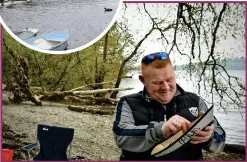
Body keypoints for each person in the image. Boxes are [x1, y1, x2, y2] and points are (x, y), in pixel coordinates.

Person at [112, 52, 226, 160]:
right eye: (157, 82)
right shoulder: (127, 102)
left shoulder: (195, 101)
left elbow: (221, 138)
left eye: (169, 79)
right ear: (143, 80)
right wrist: (160, 130)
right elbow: (120, 135)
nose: (165, 87)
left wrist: (209, 136)